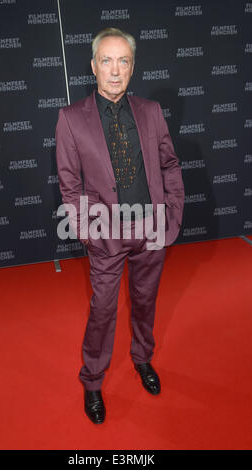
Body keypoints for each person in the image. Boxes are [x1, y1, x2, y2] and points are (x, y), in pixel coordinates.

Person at [56, 28, 184, 424]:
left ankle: (142, 359)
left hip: (151, 229)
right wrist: (88, 232)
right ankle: (92, 380)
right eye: (107, 61)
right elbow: (69, 183)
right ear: (93, 66)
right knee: (103, 310)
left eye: (123, 61)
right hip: (105, 234)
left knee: (145, 304)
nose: (115, 71)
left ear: (132, 67)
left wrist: (171, 213)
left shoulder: (150, 111)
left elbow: (168, 165)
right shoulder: (70, 119)